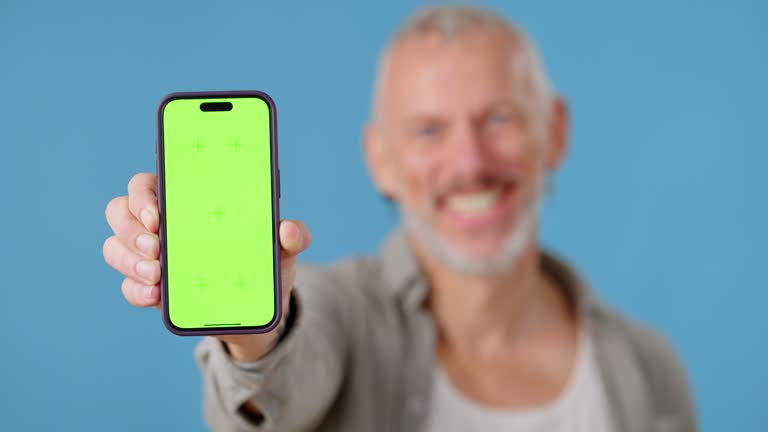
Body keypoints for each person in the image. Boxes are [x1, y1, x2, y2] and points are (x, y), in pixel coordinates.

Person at [103, 5, 696, 432]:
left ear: (556, 131)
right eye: (428, 130)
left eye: (499, 119)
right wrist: (256, 337)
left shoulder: (648, 363)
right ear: (379, 159)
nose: (469, 162)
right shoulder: (337, 311)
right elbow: (272, 400)